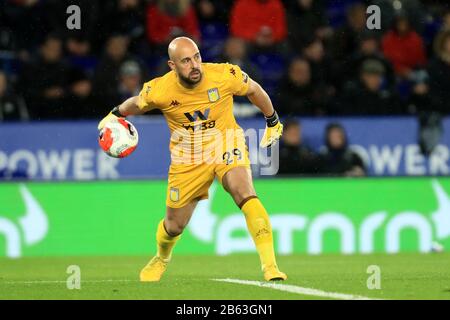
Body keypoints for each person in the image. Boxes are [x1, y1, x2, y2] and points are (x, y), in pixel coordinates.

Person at [98, 37, 286, 282]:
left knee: (244, 192)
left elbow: (254, 90)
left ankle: (270, 267)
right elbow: (136, 104)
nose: (195, 64)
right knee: (174, 225)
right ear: (172, 65)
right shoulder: (160, 90)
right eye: (186, 61)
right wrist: (113, 115)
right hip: (187, 157)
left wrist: (272, 120)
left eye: (196, 56)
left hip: (225, 142)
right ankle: (161, 257)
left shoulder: (224, 74)